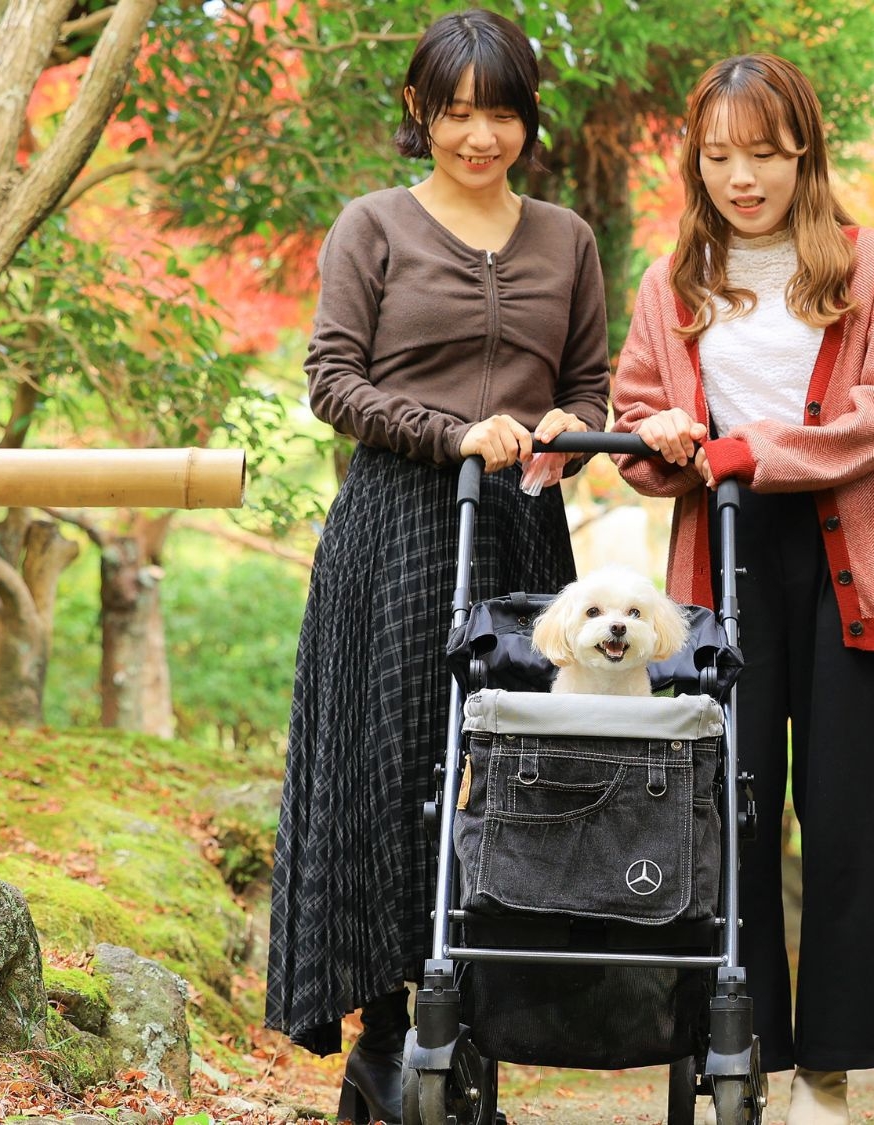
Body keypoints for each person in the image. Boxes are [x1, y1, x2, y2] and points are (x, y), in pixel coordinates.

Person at [265, 10, 611, 1121]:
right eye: (456, 112)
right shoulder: (371, 225)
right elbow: (332, 381)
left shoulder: (566, 238)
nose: (478, 136)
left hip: (519, 532)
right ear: (420, 111)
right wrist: (447, 431)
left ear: (525, 116)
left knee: (509, 779)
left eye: (499, 111)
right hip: (396, 529)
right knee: (394, 771)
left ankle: (476, 1037)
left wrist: (565, 422)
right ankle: (385, 1035)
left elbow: (594, 385)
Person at [611, 53, 874, 1125]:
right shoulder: (671, 285)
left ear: (804, 152)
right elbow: (643, 438)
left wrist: (754, 450)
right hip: (720, 568)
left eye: (763, 152)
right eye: (717, 155)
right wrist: (661, 442)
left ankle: (825, 1074)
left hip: (852, 570)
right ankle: (736, 1050)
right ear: (694, 162)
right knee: (729, 819)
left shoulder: (866, 264)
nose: (741, 176)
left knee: (841, 823)